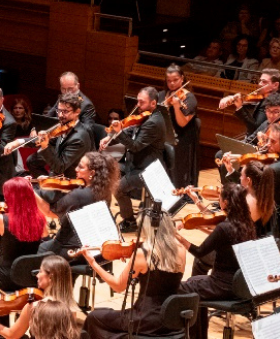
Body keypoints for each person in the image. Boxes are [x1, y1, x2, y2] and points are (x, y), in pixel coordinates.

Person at [82, 209, 186, 338]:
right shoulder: (181, 249)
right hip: (172, 318)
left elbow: (118, 286)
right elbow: (161, 271)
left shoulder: (142, 254)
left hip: (144, 319)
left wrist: (94, 264)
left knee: (94, 317)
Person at [176, 183, 256, 339]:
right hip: (241, 286)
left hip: (221, 285)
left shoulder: (224, 228)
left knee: (185, 288)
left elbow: (199, 252)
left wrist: (178, 237)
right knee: (194, 283)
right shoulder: (247, 224)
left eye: (220, 197)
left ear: (225, 202)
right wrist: (197, 201)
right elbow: (215, 227)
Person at [100, 87, 166, 233]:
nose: (137, 105)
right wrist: (109, 137)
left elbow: (135, 146)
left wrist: (117, 134)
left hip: (147, 170)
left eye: (141, 102)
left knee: (117, 188)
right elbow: (129, 130)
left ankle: (130, 222)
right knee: (107, 170)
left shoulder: (153, 123)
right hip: (135, 164)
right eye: (137, 101)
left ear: (153, 103)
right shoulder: (144, 116)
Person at [0, 255, 78, 339]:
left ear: (50, 277)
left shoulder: (34, 307)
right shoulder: (72, 309)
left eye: (40, 271)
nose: (37, 275)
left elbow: (11, 335)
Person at [35, 152, 120, 258]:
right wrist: (49, 181)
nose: (76, 169)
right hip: (95, 245)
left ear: (92, 173)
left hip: (72, 249)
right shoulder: (104, 190)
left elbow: (49, 212)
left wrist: (30, 190)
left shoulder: (79, 195)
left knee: (37, 251)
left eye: (81, 167)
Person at [9, 93, 94, 192]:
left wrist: (45, 147)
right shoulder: (64, 126)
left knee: (26, 194)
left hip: (71, 185)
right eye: (59, 111)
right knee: (30, 166)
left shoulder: (79, 138)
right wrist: (20, 142)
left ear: (77, 112)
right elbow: (46, 139)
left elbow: (59, 167)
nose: (60, 115)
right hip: (59, 176)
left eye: (65, 111)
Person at [0, 177, 45, 290]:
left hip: (6, 279)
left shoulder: (0, 219)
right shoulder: (40, 218)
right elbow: (45, 239)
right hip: (30, 278)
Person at [158, 64, 200, 187]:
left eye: (175, 80)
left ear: (182, 78)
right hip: (163, 136)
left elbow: (182, 123)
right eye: (169, 81)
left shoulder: (189, 98)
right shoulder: (161, 95)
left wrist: (176, 106)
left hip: (180, 139)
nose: (172, 84)